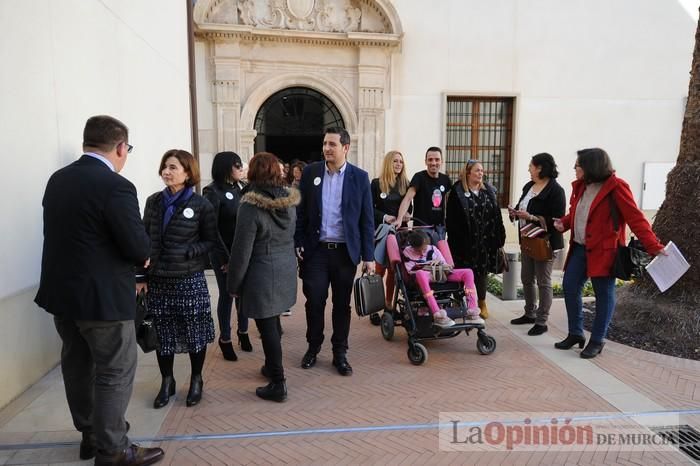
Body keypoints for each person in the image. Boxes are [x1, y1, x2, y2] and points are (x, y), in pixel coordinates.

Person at [35, 115, 164, 464]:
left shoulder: (57, 180)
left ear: (86, 142)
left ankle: (90, 436)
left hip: (63, 296)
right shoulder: (116, 186)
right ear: (121, 147)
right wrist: (145, 255)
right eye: (128, 149)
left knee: (77, 365)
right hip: (103, 300)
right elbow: (137, 245)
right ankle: (114, 449)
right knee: (114, 370)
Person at [553, 148, 665, 358]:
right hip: (579, 248)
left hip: (604, 252)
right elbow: (579, 212)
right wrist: (564, 223)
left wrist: (653, 245)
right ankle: (576, 333)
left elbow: (635, 218)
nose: (574, 169)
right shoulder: (582, 187)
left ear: (590, 167)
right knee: (569, 286)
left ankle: (597, 340)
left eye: (577, 165)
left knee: (604, 295)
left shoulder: (616, 187)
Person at [142, 149, 227, 409]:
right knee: (162, 333)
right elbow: (143, 238)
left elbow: (210, 240)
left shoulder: (201, 205)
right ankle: (167, 381)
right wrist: (141, 274)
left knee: (195, 332)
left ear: (188, 173)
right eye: (165, 167)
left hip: (189, 278)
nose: (166, 172)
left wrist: (190, 251)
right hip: (158, 279)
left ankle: (196, 379)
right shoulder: (153, 201)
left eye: (173, 167)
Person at [295, 127, 375, 376]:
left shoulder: (360, 177)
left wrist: (369, 256)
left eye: (332, 144)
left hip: (344, 253)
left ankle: (340, 352)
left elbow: (367, 220)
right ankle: (313, 346)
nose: (327, 148)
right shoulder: (311, 173)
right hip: (316, 251)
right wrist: (298, 240)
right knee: (315, 301)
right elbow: (300, 212)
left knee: (342, 304)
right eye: (325, 144)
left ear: (345, 148)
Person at [227, 152, 300, 402]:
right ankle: (271, 367)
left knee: (267, 326)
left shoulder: (251, 204)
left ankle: (278, 382)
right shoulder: (289, 201)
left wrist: (233, 283)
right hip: (285, 267)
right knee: (273, 321)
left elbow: (241, 248)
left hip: (261, 271)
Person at [508, 153, 566, 336]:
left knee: (543, 281)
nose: (528, 169)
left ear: (540, 167)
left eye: (531, 166)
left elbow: (558, 220)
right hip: (527, 239)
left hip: (545, 242)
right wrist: (515, 212)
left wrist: (532, 218)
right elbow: (522, 206)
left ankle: (542, 321)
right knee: (526, 278)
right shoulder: (528, 186)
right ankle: (529, 313)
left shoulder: (556, 191)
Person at [202, 151, 251, 360]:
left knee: (244, 292)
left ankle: (244, 331)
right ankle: (226, 338)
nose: (241, 168)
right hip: (222, 252)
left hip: (241, 252)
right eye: (237, 165)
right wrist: (226, 259)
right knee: (227, 294)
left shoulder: (240, 188)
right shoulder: (212, 191)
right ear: (225, 167)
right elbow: (211, 229)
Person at [445, 160, 506, 319]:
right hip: (464, 242)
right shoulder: (457, 192)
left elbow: (497, 215)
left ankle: (482, 302)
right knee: (463, 271)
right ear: (468, 173)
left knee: (482, 273)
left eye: (482, 170)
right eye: (477, 170)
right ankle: (459, 301)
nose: (481, 173)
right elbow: (451, 221)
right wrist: (457, 240)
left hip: (485, 241)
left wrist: (499, 238)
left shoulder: (489, 191)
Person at [402, 230, 483, 327]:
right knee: (420, 273)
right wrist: (426, 266)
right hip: (424, 276)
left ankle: (472, 311)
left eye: (424, 249)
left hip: (441, 274)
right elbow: (410, 271)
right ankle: (438, 314)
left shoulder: (433, 249)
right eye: (418, 250)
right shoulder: (407, 251)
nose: (422, 252)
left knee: (468, 272)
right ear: (413, 247)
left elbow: (445, 265)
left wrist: (438, 262)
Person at [369, 150, 410, 325]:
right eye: (395, 161)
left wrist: (406, 215)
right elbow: (369, 208)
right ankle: (373, 308)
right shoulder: (376, 184)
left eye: (401, 161)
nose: (399, 164)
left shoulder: (406, 185)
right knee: (379, 271)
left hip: (400, 234)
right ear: (388, 163)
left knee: (394, 271)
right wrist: (385, 217)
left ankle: (388, 306)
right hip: (382, 233)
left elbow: (410, 208)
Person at [394, 146, 451, 232]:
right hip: (421, 228)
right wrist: (399, 219)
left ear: (442, 161)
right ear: (425, 161)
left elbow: (449, 202)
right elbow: (408, 199)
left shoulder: (445, 179)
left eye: (437, 159)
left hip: (440, 228)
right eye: (430, 159)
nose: (433, 163)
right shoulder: (419, 177)